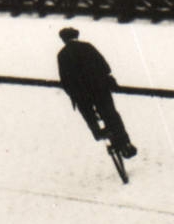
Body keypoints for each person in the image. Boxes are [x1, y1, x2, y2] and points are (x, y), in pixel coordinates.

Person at [56, 27, 136, 158]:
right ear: (76, 36)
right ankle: (125, 143)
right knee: (110, 113)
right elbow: (104, 65)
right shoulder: (87, 47)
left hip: (81, 93)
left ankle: (98, 132)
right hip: (98, 88)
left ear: (63, 40)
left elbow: (64, 79)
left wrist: (72, 94)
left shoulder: (62, 55)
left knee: (88, 114)